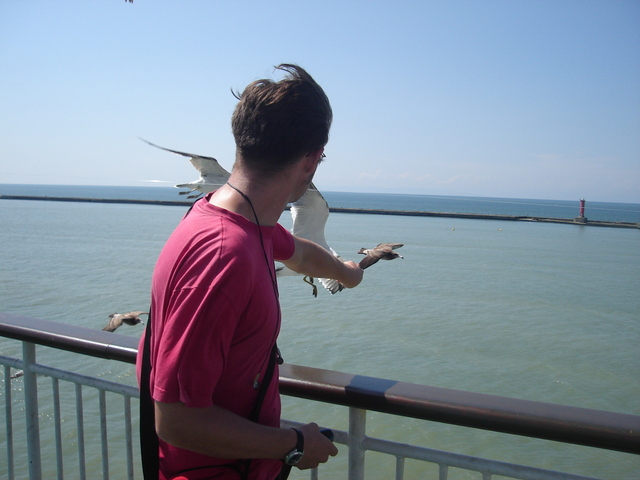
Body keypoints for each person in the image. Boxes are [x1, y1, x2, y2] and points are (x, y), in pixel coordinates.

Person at [137, 64, 364, 480]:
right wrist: (294, 444)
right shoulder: (225, 258)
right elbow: (176, 421)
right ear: (312, 160)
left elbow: (299, 253)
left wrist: (347, 272)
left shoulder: (238, 223)